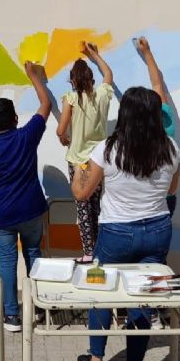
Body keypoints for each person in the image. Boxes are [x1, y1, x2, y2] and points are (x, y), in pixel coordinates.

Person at [70, 87, 180, 361]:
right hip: (158, 229)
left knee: (101, 290)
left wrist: (81, 167)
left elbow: (82, 194)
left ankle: (96, 359)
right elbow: (171, 190)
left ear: (125, 115)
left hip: (116, 232)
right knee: (142, 297)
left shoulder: (107, 148)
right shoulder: (170, 148)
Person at [0, 62, 51, 332]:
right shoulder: (28, 136)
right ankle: (38, 306)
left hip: (3, 215)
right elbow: (45, 106)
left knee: (7, 263)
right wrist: (34, 78)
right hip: (31, 209)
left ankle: (12, 316)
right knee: (34, 256)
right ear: (16, 118)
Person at [56, 42, 114, 263]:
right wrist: (93, 55)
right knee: (97, 204)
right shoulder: (102, 94)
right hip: (98, 160)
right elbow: (108, 73)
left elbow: (61, 130)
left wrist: (64, 138)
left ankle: (89, 252)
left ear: (73, 81)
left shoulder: (70, 98)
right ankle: (99, 248)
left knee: (83, 208)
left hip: (77, 161)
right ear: (92, 79)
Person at [134, 36, 178, 216]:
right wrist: (147, 53)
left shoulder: (138, 137)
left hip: (144, 200)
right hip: (166, 198)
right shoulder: (167, 123)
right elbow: (157, 83)